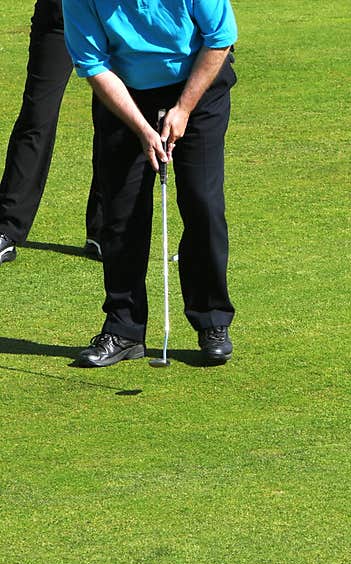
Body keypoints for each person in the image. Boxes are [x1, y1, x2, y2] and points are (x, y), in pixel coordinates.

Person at [62, 0, 239, 367]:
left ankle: (212, 319)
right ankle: (124, 329)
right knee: (121, 211)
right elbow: (93, 63)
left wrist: (184, 108)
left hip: (198, 83)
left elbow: (220, 38)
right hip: (125, 95)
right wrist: (142, 129)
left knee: (202, 202)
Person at [0, 0, 104, 265]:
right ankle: (7, 228)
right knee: (37, 118)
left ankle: (104, 229)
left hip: (113, 17)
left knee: (113, 121)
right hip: (60, 14)